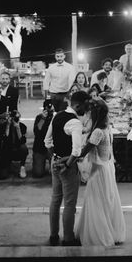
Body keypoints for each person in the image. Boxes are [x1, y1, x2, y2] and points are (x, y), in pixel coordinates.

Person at [75, 98, 126, 246]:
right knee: (106, 201)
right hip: (107, 166)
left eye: (89, 112)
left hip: (99, 170)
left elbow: (83, 153)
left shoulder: (97, 132)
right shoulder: (106, 127)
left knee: (96, 201)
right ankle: (110, 230)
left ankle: (99, 235)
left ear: (93, 113)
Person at [44, 91, 90, 246]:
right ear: (78, 105)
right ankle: (68, 238)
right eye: (86, 105)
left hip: (55, 161)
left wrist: (54, 159)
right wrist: (68, 164)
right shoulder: (75, 123)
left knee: (55, 200)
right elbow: (76, 151)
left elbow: (47, 141)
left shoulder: (57, 115)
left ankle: (53, 236)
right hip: (67, 166)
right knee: (70, 203)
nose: (87, 108)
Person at [0, 110, 28, 179]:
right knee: (3, 176)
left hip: (18, 150)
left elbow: (22, 141)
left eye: (17, 118)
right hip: (7, 151)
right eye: (14, 118)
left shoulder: (23, 126)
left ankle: (22, 166)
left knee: (24, 148)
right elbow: (4, 141)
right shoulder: (4, 126)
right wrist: (7, 126)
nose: (15, 120)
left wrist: (18, 128)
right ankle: (6, 165)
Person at [32, 100, 54, 178]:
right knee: (38, 173)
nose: (50, 110)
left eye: (51, 108)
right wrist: (43, 119)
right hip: (40, 148)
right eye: (48, 108)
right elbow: (37, 132)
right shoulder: (39, 117)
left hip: (52, 148)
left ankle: (52, 165)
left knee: (54, 173)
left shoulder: (56, 118)